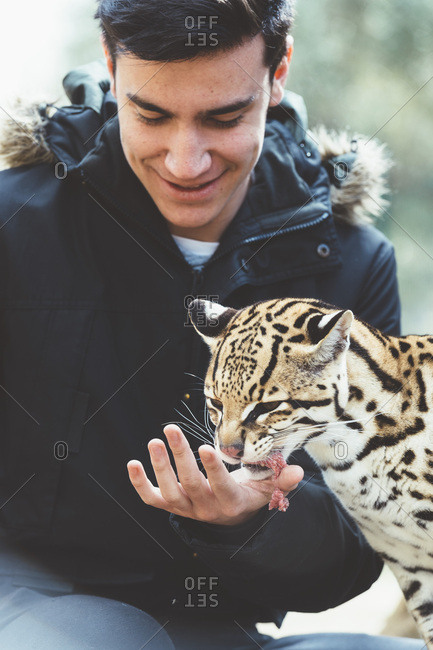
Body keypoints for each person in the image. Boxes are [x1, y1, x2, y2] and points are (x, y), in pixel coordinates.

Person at [0, 0, 424, 648]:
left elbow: (354, 549)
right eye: (151, 114)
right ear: (111, 68)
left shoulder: (352, 267)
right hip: (32, 603)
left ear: (278, 71)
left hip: (225, 627)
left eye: (222, 117)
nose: (184, 162)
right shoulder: (16, 222)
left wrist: (251, 520)